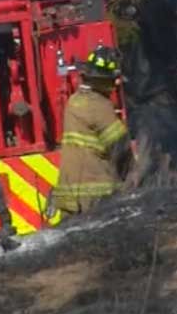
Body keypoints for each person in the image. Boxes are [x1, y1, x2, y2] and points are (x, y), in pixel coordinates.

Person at [50, 45, 133, 216]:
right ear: (103, 81)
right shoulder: (99, 106)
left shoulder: (74, 101)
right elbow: (120, 148)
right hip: (96, 198)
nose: (115, 84)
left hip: (71, 194)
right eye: (112, 80)